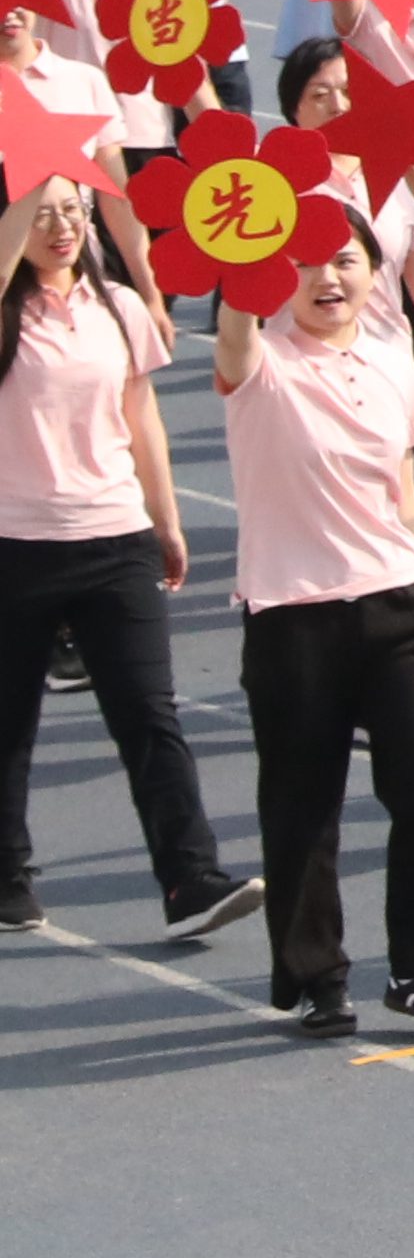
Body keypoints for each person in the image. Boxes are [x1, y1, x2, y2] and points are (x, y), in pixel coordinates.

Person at [219, 216, 414, 1033]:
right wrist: (241, 240)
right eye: (302, 263)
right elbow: (234, 324)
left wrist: (393, 549)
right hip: (293, 613)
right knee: (302, 804)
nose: (326, 277)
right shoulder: (258, 358)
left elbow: (404, 483)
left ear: (373, 268)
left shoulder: (393, 354)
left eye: (343, 259)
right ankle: (318, 976)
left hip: (400, 600)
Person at [0, 176, 242, 942]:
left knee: (149, 714)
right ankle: (7, 876)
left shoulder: (121, 308)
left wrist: (165, 519)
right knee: (9, 724)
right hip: (15, 545)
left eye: (72, 210)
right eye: (41, 213)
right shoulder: (8, 309)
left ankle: (191, 878)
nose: (61, 227)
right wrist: (29, 171)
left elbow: (142, 416)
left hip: (114, 539)